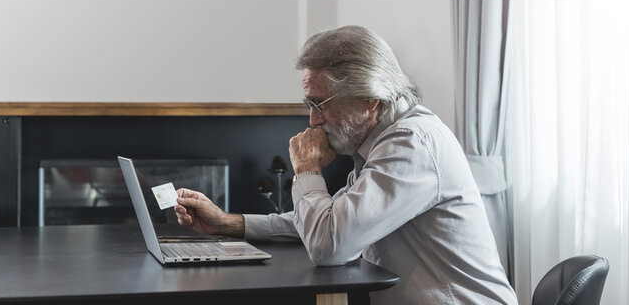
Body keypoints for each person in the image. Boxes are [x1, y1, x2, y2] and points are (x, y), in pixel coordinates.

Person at [174, 25, 518, 304]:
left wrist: (307, 170)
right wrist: (229, 223)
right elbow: (328, 222)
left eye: (321, 104)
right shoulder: (376, 143)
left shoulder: (411, 143)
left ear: (371, 100)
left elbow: (329, 245)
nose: (313, 119)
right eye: (309, 103)